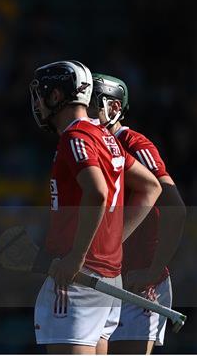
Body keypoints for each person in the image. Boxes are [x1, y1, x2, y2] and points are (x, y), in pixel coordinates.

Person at [29, 60, 162, 354]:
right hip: (107, 276)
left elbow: (98, 192)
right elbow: (150, 187)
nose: (37, 103)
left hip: (79, 278)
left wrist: (76, 257)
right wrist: (113, 241)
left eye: (41, 94)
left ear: (55, 97)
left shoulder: (74, 137)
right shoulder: (105, 136)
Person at [88, 73, 186, 354]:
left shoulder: (135, 144)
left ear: (114, 108)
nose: (85, 112)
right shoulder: (88, 145)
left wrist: (154, 269)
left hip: (137, 283)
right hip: (106, 278)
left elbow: (175, 210)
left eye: (92, 105)